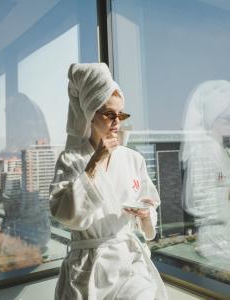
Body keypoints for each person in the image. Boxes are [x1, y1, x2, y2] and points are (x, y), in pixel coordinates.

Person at [49, 63, 168, 300]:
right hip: (88, 270)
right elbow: (67, 216)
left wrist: (145, 216)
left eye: (120, 114)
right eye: (109, 114)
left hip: (130, 264)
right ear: (90, 114)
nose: (117, 121)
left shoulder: (133, 158)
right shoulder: (71, 159)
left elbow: (149, 211)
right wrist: (95, 163)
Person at [180, 80, 230, 260]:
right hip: (215, 237)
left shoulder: (220, 149)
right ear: (211, 118)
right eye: (225, 118)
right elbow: (197, 200)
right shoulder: (201, 151)